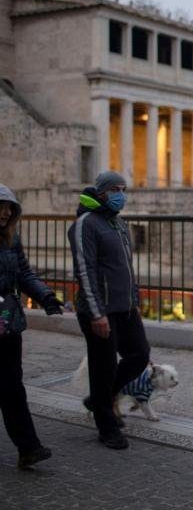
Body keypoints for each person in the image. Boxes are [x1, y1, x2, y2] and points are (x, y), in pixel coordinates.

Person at [68, 171, 150, 450]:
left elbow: (126, 268)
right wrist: (97, 313)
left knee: (139, 355)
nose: (121, 194)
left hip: (125, 308)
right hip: (99, 310)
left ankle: (99, 399)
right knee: (102, 368)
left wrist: (134, 299)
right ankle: (106, 427)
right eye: (115, 189)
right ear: (102, 192)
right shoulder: (85, 224)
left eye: (123, 189)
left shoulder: (119, 224)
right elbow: (85, 270)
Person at [0, 184, 64, 468]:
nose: (5, 213)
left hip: (8, 322)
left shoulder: (11, 239)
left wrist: (45, 295)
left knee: (13, 386)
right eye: (1, 207)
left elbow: (24, 272)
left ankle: (28, 447)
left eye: (9, 208)